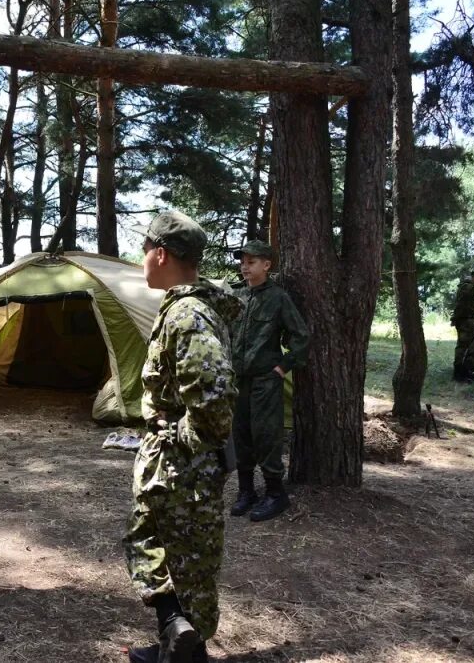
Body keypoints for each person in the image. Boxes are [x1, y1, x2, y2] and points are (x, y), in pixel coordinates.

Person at [124, 211, 242, 663]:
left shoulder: (189, 315)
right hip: (177, 457)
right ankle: (178, 639)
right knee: (167, 547)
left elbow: (212, 401)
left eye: (145, 252)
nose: (143, 261)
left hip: (182, 461)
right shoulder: (182, 307)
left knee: (181, 554)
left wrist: (177, 439)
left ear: (160, 254)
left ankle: (185, 646)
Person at [229, 240, 309, 522]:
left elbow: (301, 336)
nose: (244, 267)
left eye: (251, 262)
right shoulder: (235, 295)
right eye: (242, 262)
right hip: (238, 380)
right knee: (241, 435)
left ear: (267, 265)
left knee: (266, 436)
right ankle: (246, 491)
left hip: (265, 380)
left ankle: (276, 494)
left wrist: (282, 367)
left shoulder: (278, 298)